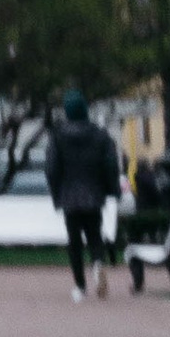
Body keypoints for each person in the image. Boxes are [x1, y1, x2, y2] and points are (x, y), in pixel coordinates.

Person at [45, 87, 121, 299]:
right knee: (95, 236)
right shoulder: (100, 135)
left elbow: (51, 168)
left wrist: (56, 193)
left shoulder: (58, 136)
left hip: (69, 194)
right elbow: (111, 165)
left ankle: (80, 285)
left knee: (74, 242)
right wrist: (111, 189)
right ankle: (97, 264)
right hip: (94, 193)